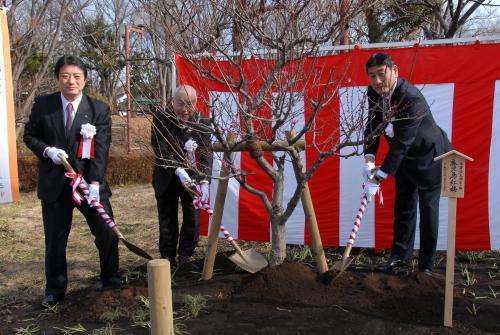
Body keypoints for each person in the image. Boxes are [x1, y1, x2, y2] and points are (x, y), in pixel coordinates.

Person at [24, 55, 121, 308]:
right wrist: (48, 151)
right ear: (58, 78)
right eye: (65, 76)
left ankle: (110, 278)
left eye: (77, 76)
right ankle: (55, 289)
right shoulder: (44, 105)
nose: (71, 81)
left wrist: (95, 183)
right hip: (55, 186)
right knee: (55, 240)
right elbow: (30, 136)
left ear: (85, 79)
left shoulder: (98, 109)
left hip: (89, 185)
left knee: (106, 232)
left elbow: (101, 150)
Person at [363, 53, 452, 275]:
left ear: (395, 71)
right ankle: (399, 260)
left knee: (428, 211)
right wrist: (369, 160)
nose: (377, 81)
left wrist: (381, 175)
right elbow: (372, 126)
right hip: (401, 159)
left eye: (381, 74)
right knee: (403, 208)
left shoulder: (410, 97)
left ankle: (426, 267)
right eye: (372, 76)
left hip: (428, 156)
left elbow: (404, 140)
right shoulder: (373, 94)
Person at [151, 85, 212, 267]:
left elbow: (206, 154)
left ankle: (185, 255)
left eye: (190, 104)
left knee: (192, 218)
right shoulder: (161, 118)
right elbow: (159, 147)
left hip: (192, 178)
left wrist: (205, 180)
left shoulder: (203, 122)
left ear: (196, 103)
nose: (185, 109)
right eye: (180, 104)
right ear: (172, 101)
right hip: (167, 176)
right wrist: (177, 169)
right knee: (167, 218)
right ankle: (167, 257)